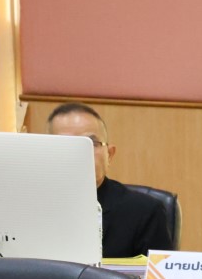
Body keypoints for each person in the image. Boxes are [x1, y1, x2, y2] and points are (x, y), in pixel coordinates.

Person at [47, 103, 170, 258]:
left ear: (109, 155)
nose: (78, 152)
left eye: (91, 143)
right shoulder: (29, 207)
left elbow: (158, 273)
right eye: (65, 144)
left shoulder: (145, 212)